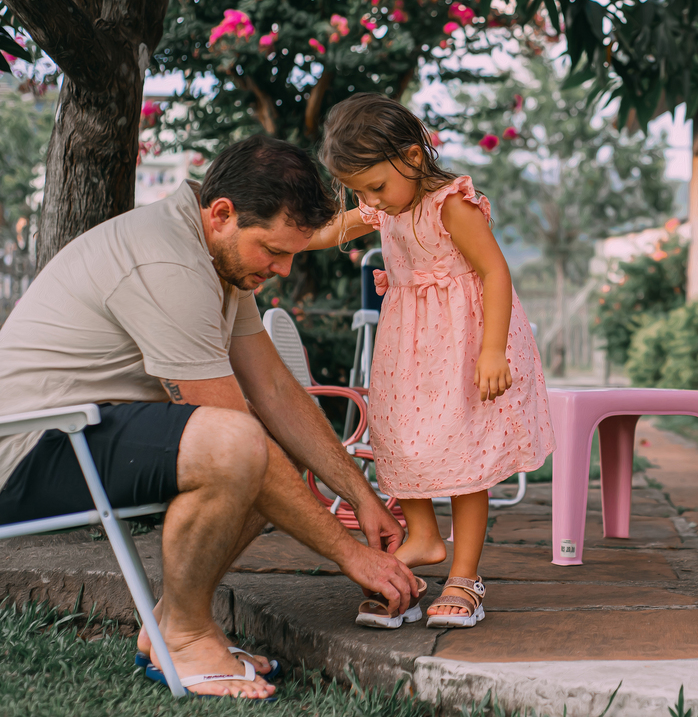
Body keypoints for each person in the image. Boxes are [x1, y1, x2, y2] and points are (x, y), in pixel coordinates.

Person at [0, 136, 421, 699]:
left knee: (263, 444)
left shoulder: (214, 254)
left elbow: (275, 391)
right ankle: (186, 632)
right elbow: (232, 429)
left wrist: (361, 495)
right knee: (237, 447)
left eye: (292, 254)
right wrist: (351, 554)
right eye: (273, 250)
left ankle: (172, 627)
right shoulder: (167, 259)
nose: (282, 268)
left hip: (87, 430)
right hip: (30, 450)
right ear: (221, 213)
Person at [307, 93, 555, 630]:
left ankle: (465, 574)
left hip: (464, 344)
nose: (371, 200)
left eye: (375, 186)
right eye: (360, 191)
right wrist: (284, 238)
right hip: (409, 351)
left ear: (413, 158)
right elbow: (331, 231)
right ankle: (423, 536)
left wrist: (493, 351)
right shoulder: (386, 205)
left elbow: (494, 272)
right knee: (399, 438)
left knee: (466, 453)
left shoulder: (451, 204)